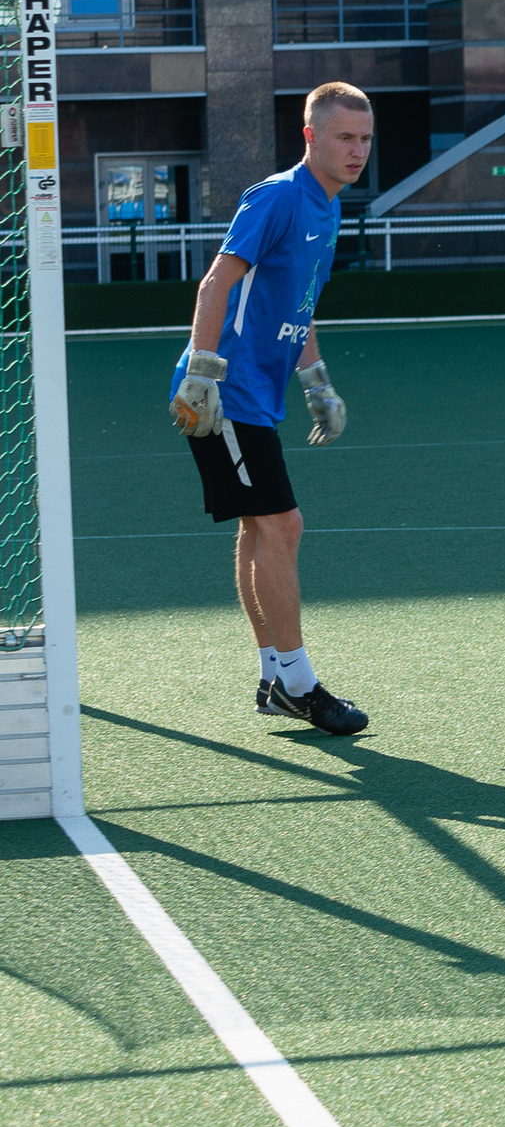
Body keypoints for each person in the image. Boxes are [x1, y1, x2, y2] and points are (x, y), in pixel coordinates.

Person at [168, 81, 372, 736]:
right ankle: (300, 684)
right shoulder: (279, 196)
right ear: (311, 136)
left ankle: (271, 676)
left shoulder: (330, 207)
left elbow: (300, 306)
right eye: (345, 137)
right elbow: (217, 281)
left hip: (258, 397)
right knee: (283, 525)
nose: (357, 150)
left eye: (365, 138)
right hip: (223, 394)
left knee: (260, 530)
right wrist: (202, 372)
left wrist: (317, 382)